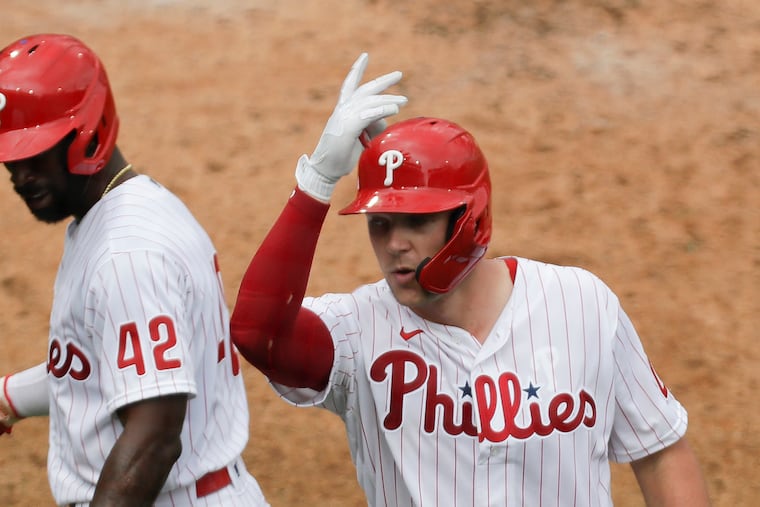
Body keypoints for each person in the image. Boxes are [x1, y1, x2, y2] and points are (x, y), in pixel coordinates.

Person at [228, 53, 712, 506]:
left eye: (417, 221)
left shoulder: (581, 306)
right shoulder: (356, 332)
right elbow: (257, 335)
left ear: (467, 217)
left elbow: (661, 451)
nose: (395, 242)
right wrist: (317, 181)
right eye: (380, 223)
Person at [0, 33, 269, 506]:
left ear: (87, 131)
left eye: (35, 154)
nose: (21, 176)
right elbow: (105, 370)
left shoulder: (127, 254)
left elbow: (154, 440)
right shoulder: (127, 208)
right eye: (11, 158)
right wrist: (10, 396)